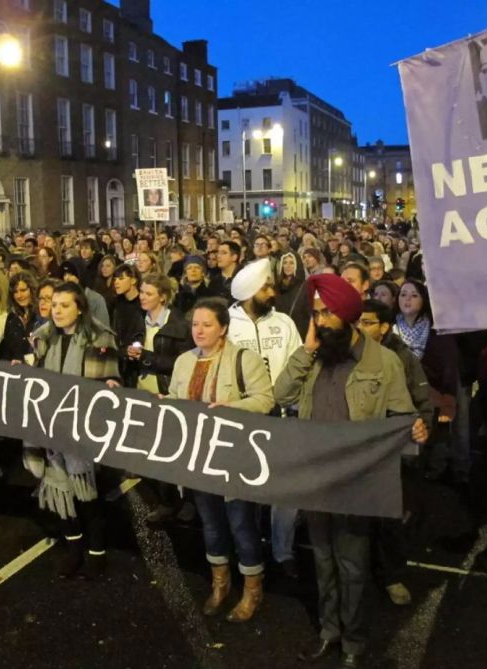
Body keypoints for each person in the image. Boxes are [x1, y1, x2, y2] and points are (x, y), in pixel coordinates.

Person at [274, 274, 421, 668]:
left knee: (352, 565)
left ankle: (353, 642)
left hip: (357, 482)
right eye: (316, 312)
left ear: (348, 315)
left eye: (327, 313)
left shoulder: (383, 361)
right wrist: (305, 350)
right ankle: (329, 631)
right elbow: (281, 394)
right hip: (316, 477)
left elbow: (402, 416)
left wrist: (415, 429)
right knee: (322, 561)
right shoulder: (314, 355)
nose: (320, 321)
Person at [167, 298, 274, 622]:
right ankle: (220, 584)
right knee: (211, 525)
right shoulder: (184, 361)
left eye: (207, 324)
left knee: (242, 524)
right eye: (195, 324)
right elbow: (176, 398)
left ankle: (252, 590)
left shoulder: (244, 359)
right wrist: (163, 402)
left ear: (223, 328)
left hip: (234, 457)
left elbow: (266, 399)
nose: (199, 330)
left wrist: (232, 408)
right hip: (199, 458)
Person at [27, 282, 122, 579]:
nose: (57, 311)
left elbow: (110, 380)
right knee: (59, 487)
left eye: (64, 305)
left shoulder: (100, 338)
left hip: (81, 429)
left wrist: (109, 387)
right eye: (54, 305)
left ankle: (96, 553)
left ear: (79, 308)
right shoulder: (42, 338)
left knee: (86, 492)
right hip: (51, 426)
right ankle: (74, 546)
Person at [227, 259, 303, 578]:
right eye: (266, 287)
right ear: (249, 292)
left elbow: (300, 362)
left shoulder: (284, 322)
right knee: (245, 491)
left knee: (285, 491)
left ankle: (283, 552)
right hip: (243, 421)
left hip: (284, 417)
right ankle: (248, 552)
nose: (273, 292)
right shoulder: (227, 324)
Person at [358, 299, 434, 606]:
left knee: (390, 518)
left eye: (367, 322)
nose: (360, 328)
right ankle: (357, 573)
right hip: (358, 448)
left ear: (385, 327)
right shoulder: (349, 353)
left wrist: (421, 427)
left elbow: (422, 401)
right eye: (358, 322)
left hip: (391, 451)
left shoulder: (401, 357)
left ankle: (392, 575)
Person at [126, 273, 194, 521]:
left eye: (148, 293)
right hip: (141, 392)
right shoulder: (138, 321)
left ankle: (187, 501)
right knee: (148, 450)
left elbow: (182, 362)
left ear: (163, 297)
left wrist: (147, 357)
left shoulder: (179, 325)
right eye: (142, 292)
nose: (142, 297)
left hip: (167, 394)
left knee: (173, 450)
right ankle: (165, 501)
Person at [393, 279, 459, 482]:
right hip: (398, 399)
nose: (407, 300)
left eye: (414, 295)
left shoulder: (436, 333)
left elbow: (449, 366)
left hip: (430, 397)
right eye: (403, 294)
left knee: (428, 448)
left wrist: (447, 401)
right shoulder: (390, 331)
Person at [111, 264, 145, 388]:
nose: (116, 282)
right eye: (115, 279)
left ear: (133, 280)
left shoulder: (143, 304)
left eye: (121, 279)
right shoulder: (115, 304)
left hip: (138, 364)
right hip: (120, 361)